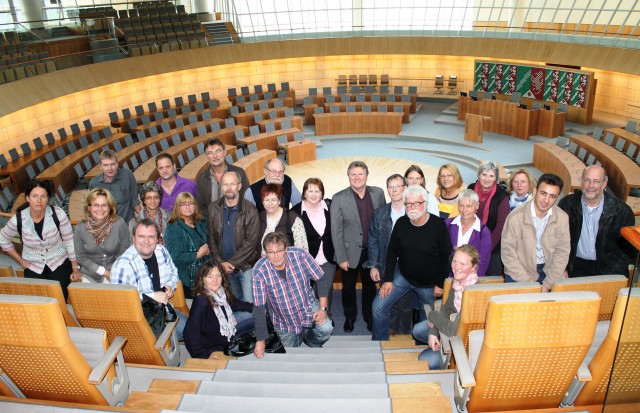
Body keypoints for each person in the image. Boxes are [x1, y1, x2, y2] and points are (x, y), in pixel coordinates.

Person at [371, 185, 452, 341]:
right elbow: (392, 252)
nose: (412, 207)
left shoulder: (439, 226)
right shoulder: (401, 223)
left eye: (417, 203)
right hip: (403, 277)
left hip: (429, 284)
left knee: (427, 320)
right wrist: (388, 280)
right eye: (408, 204)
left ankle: (425, 348)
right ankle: (379, 342)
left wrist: (440, 284)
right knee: (378, 306)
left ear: (425, 204)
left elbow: (445, 257)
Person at [252, 232, 333, 357]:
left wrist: (323, 309)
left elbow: (321, 278)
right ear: (265, 253)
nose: (276, 256)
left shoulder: (301, 255)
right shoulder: (259, 270)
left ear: (286, 249)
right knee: (289, 356)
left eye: (279, 250)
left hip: (307, 307)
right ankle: (301, 335)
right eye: (271, 252)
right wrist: (260, 341)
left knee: (326, 328)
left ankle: (311, 341)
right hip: (283, 322)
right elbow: (258, 308)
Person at [0, 180, 80, 300]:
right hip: (33, 265)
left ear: (48, 198)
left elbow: (69, 241)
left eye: (43, 196)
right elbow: (3, 239)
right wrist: (20, 260)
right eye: (35, 196)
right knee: (38, 300)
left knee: (59, 298)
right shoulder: (18, 219)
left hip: (59, 261)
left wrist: (75, 268)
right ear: (27, 198)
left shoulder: (58, 214)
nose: (39, 200)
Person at [331, 160, 386, 333]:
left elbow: (383, 222)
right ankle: (350, 317)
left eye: (360, 174)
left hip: (372, 251)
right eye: (353, 174)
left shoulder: (378, 193)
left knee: (370, 287)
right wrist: (341, 257)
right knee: (348, 289)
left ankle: (369, 317)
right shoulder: (339, 198)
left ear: (366, 176)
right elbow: (336, 230)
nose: (357, 177)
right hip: (349, 253)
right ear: (348, 177)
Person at [111, 218, 187, 340]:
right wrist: (151, 296)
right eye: (141, 236)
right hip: (139, 321)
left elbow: (174, 272)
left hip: (162, 312)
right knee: (176, 339)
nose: (146, 241)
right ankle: (164, 354)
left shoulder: (161, 251)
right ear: (134, 237)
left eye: (151, 237)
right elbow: (120, 301)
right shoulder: (123, 265)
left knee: (194, 328)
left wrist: (169, 285)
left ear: (157, 239)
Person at [558, 165, 636, 277]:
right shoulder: (566, 205)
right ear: (581, 182)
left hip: (609, 268)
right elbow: (557, 240)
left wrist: (611, 275)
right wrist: (562, 268)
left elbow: (626, 251)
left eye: (596, 181)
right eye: (587, 180)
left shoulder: (622, 212)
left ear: (604, 184)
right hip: (574, 266)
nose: (591, 186)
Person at [412, 245, 480, 369]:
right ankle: (439, 343)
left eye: (463, 264)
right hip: (451, 327)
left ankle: (452, 362)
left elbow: (454, 331)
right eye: (455, 261)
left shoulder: (472, 293)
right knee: (417, 330)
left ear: (473, 268)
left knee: (425, 360)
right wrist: (433, 332)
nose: (456, 267)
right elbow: (446, 308)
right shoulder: (458, 282)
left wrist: (432, 316)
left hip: (464, 343)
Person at [502, 173, 570, 291]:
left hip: (548, 271)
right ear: (535, 191)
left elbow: (562, 253)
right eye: (543, 193)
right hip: (519, 271)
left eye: (552, 196)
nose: (546, 200)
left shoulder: (562, 218)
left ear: (557, 198)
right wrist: (529, 285)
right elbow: (508, 255)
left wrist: (548, 283)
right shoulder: (515, 217)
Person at [368, 174, 413, 335]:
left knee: (405, 304)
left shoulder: (413, 212)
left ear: (405, 188)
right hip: (385, 265)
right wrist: (373, 265)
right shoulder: (379, 213)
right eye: (391, 187)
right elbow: (372, 240)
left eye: (398, 186)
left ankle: (406, 333)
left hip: (408, 267)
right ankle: (391, 330)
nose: (394, 190)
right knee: (388, 301)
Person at [183, 260, 254, 359]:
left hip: (228, 334)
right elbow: (190, 333)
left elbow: (237, 304)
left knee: (254, 315)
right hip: (214, 346)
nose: (215, 280)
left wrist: (258, 309)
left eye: (218, 276)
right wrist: (205, 355)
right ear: (202, 279)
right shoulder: (201, 301)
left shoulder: (221, 293)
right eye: (210, 276)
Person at [207, 171, 260, 303]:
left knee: (249, 302)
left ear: (239, 186)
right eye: (225, 184)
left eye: (232, 184)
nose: (229, 188)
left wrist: (232, 263)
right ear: (221, 186)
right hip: (224, 266)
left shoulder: (250, 209)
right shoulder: (213, 208)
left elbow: (251, 242)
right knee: (235, 301)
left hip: (245, 266)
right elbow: (211, 238)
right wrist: (221, 263)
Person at [291, 177, 336, 311]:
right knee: (307, 293)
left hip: (328, 258)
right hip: (306, 261)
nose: (314, 194)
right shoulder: (294, 212)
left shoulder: (330, 207)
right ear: (304, 193)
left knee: (326, 292)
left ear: (322, 194)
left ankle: (325, 318)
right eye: (310, 191)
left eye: (317, 191)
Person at [73, 187, 130, 283]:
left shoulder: (119, 223)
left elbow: (124, 252)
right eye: (96, 205)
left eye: (104, 205)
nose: (100, 209)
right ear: (89, 207)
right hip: (89, 273)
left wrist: (113, 271)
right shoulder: (80, 227)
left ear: (110, 207)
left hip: (114, 270)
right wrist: (104, 272)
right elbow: (80, 257)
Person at [164, 192, 209, 299]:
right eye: (183, 204)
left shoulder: (201, 222)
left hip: (206, 274)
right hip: (187, 279)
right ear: (177, 207)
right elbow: (175, 258)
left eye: (191, 203)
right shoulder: (173, 228)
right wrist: (197, 255)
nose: (188, 207)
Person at [468, 161, 509, 276]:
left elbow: (501, 226)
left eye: (491, 176)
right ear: (478, 175)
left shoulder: (502, 196)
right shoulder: (470, 189)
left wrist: (486, 248)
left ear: (496, 178)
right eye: (484, 175)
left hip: (492, 245)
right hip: (470, 241)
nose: (487, 179)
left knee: (490, 280)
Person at [195, 138, 250, 215]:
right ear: (207, 156)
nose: (215, 156)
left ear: (224, 152)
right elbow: (200, 205)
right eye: (210, 153)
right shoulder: (202, 177)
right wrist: (211, 220)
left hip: (237, 221)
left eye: (218, 151)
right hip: (212, 222)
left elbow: (247, 200)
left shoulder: (239, 173)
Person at [444, 189, 491, 276]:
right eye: (461, 205)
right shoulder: (447, 225)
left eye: (469, 206)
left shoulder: (484, 232)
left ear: (477, 206)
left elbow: (482, 263)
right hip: (448, 279)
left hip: (471, 282)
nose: (464, 209)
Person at [89, 149, 140, 223]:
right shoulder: (94, 183)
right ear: (100, 166)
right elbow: (92, 207)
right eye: (105, 165)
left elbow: (134, 200)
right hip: (105, 226)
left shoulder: (127, 175)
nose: (110, 168)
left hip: (127, 224)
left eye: (112, 164)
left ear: (117, 164)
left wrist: (143, 219)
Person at [258, 183, 308, 255]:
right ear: (262, 201)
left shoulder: (293, 219)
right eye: (266, 200)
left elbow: (303, 250)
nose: (270, 203)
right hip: (264, 264)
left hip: (289, 264)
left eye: (274, 200)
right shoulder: (258, 218)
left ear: (279, 200)